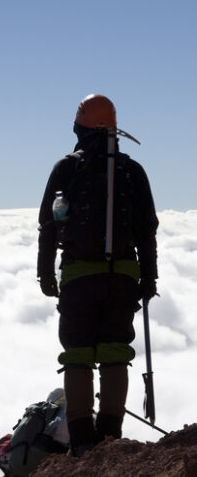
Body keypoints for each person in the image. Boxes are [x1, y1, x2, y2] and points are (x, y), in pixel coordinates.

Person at [37, 94, 158, 456]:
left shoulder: (67, 168)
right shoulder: (132, 171)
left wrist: (46, 273)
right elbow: (146, 229)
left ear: (80, 125)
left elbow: (48, 225)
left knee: (78, 354)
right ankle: (109, 437)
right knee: (114, 352)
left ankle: (82, 441)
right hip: (123, 274)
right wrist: (149, 279)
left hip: (79, 277)